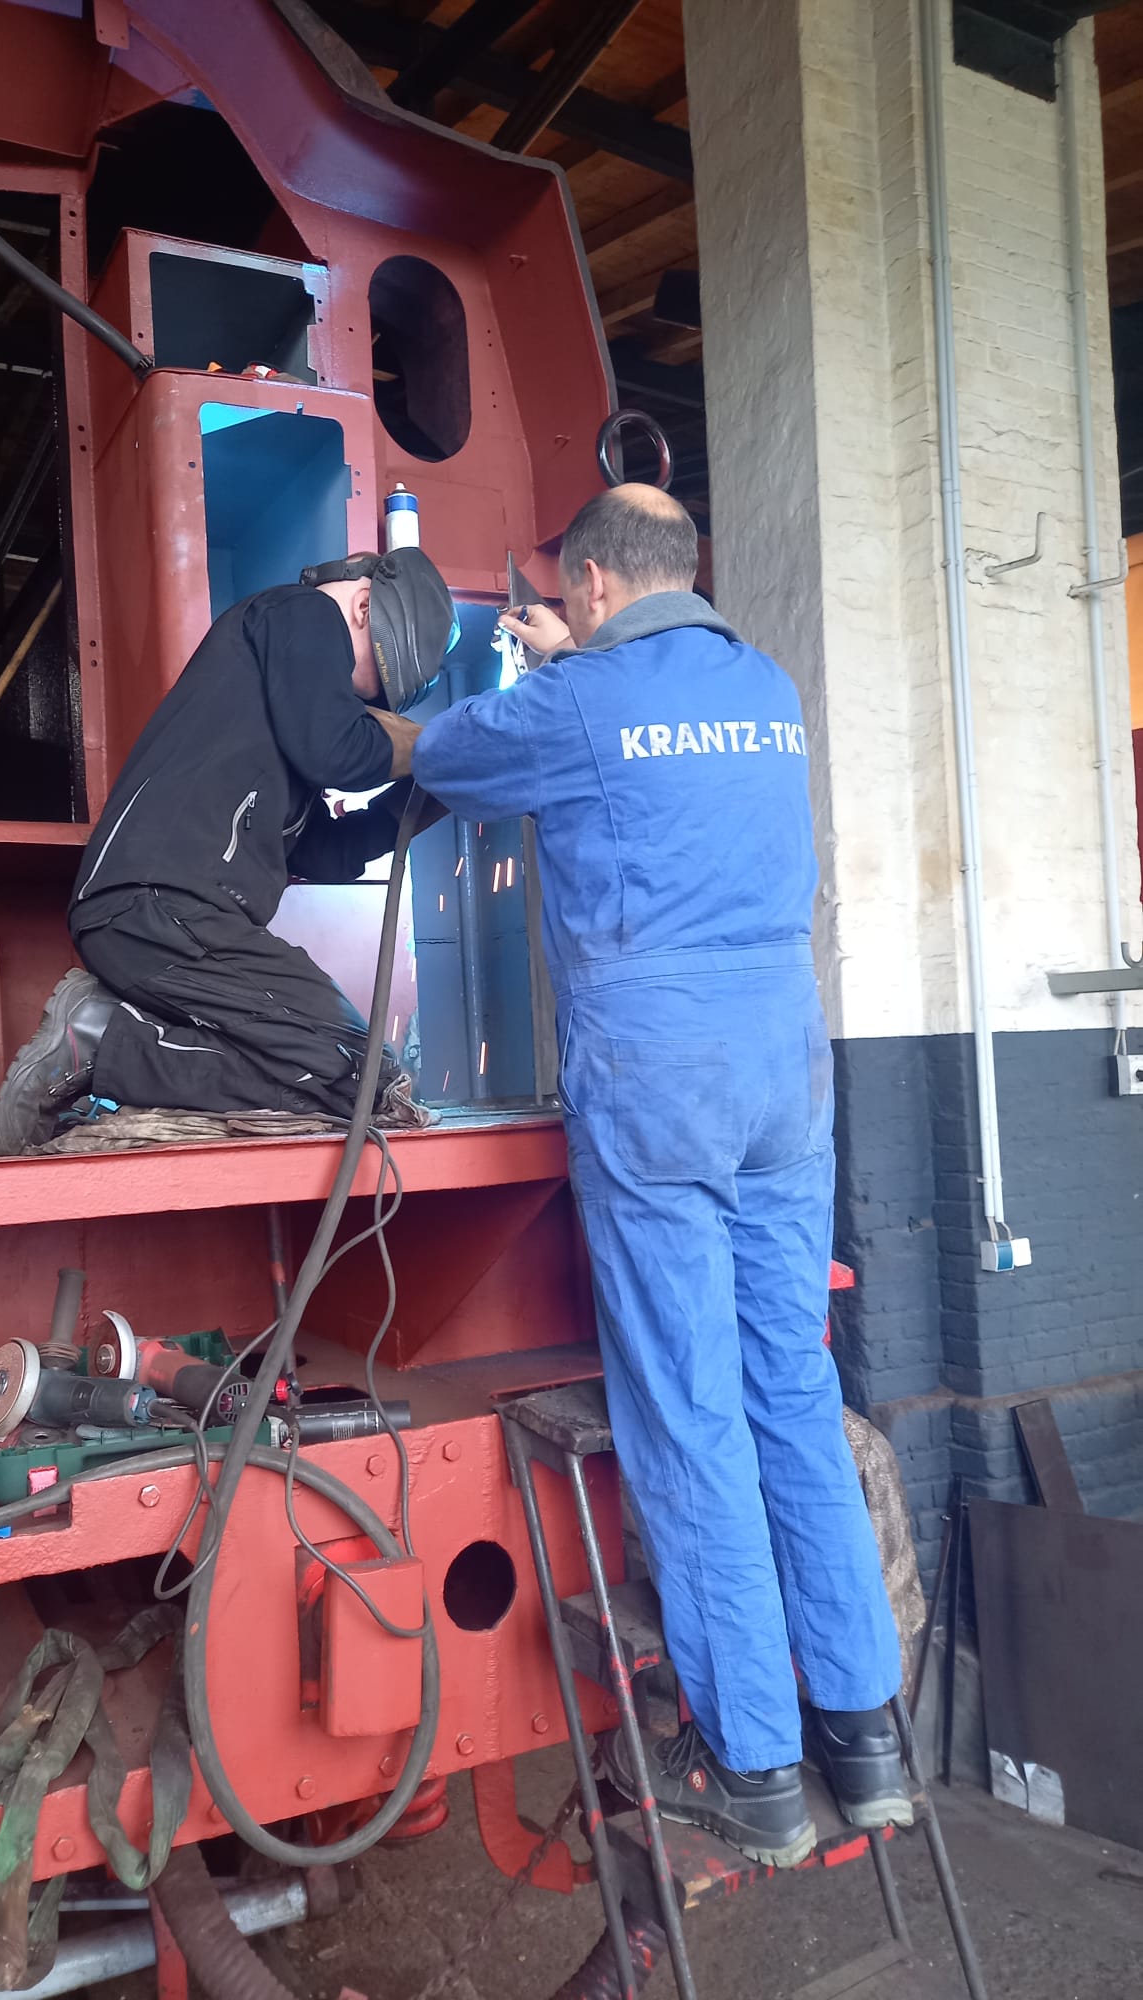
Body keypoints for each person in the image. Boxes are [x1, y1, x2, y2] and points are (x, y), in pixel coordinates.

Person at [409, 484, 907, 1868]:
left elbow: (448, 759)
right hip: (786, 1072)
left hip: (662, 1080)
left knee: (687, 1410)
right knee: (791, 1387)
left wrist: (544, 672)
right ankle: (866, 1740)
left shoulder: (578, 698)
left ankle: (751, 1766)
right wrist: (580, 665)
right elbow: (665, 751)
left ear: (590, 586)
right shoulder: (768, 688)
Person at [0, 549, 454, 1155]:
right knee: (354, 1070)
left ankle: (105, 1038)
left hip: (178, 917)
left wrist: (430, 795)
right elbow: (338, 748)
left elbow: (322, 851)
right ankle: (99, 1044)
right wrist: (445, 746)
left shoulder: (276, 723)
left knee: (347, 1080)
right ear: (363, 605)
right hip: (158, 902)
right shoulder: (301, 614)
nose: (353, 703)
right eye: (362, 690)